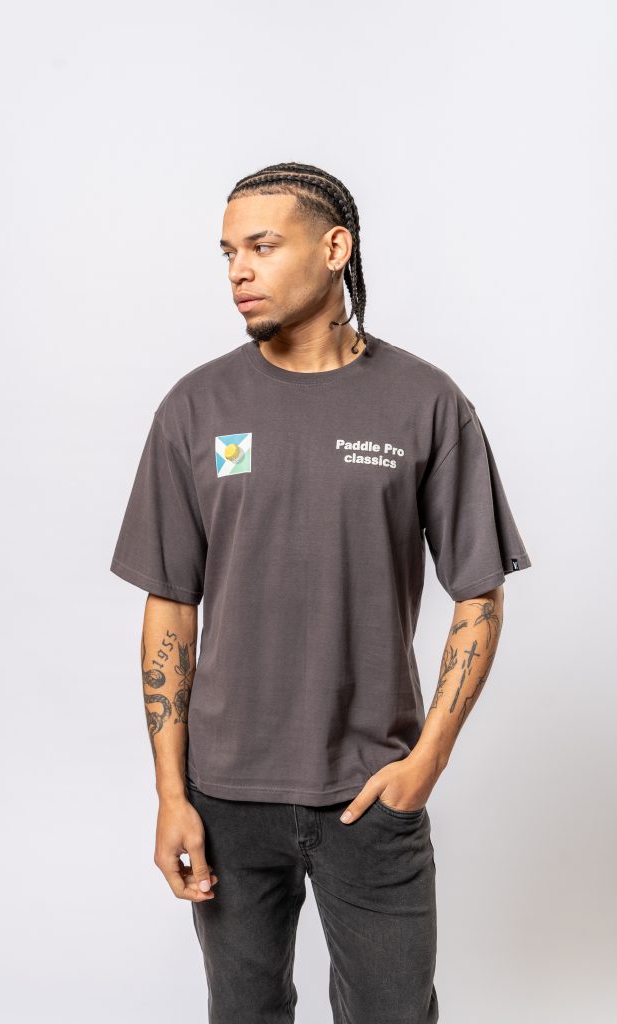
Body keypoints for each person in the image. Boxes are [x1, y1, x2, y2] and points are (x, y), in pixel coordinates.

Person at [110, 161, 532, 1024]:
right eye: (228, 252)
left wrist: (427, 760)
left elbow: (478, 594)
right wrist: (171, 794)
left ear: (334, 248)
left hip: (370, 794)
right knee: (243, 1012)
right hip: (225, 796)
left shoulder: (424, 402)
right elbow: (170, 609)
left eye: (262, 246)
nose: (238, 271)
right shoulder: (195, 406)